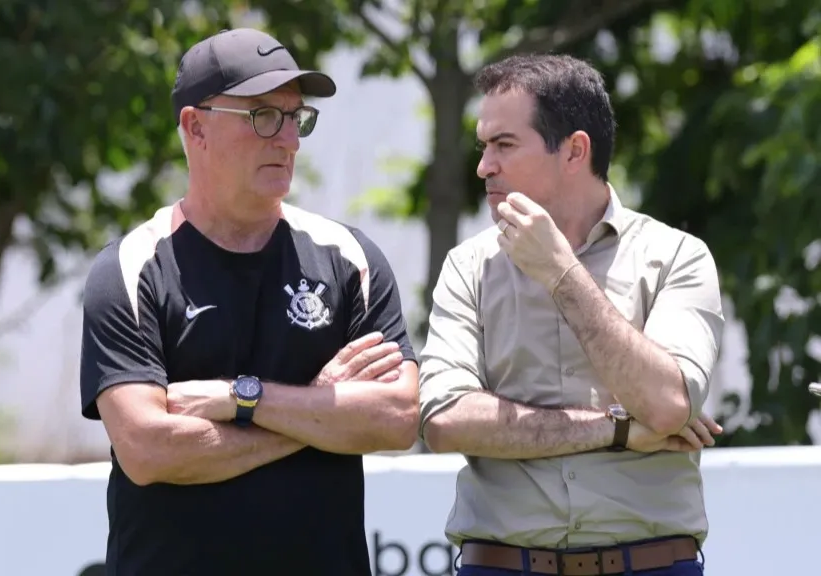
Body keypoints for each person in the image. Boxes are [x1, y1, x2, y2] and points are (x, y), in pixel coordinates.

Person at [78, 27, 419, 576]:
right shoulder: (130, 268)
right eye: (263, 116)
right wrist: (318, 410)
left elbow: (398, 419)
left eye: (296, 117)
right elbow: (147, 450)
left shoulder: (349, 256)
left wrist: (240, 398)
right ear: (195, 127)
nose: (289, 140)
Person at [417, 53, 727, 576]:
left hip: (650, 565)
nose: (484, 165)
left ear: (574, 150)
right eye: (483, 146)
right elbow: (445, 422)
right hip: (502, 565)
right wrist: (618, 429)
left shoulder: (679, 256)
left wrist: (562, 272)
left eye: (504, 145)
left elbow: (668, 404)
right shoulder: (468, 266)